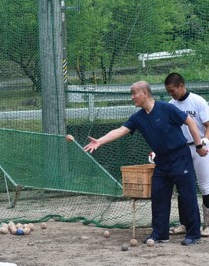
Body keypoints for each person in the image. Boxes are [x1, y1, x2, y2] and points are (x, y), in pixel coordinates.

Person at [83, 80, 207, 246]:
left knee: (187, 195)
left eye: (134, 93)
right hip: (161, 161)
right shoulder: (138, 118)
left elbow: (190, 122)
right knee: (158, 197)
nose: (132, 97)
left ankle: (193, 234)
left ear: (145, 93)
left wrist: (199, 145)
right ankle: (160, 234)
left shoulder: (167, 108)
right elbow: (121, 130)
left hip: (179, 156)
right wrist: (99, 141)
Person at [164, 72, 209, 237]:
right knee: (182, 186)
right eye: (168, 91)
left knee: (205, 186)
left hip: (201, 148)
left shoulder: (198, 101)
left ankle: (207, 224)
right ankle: (185, 223)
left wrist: (204, 142)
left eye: (173, 90)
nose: (171, 93)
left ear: (181, 86)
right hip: (182, 149)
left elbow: (207, 124)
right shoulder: (171, 104)